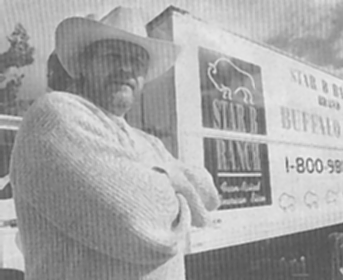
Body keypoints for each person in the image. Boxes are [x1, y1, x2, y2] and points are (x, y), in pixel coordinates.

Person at [10, 6, 220, 280]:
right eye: (112, 55)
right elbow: (140, 223)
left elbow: (208, 197)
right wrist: (177, 185)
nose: (126, 68)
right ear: (84, 65)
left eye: (137, 61)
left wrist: (159, 185)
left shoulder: (149, 142)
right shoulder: (52, 117)